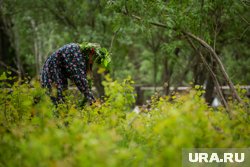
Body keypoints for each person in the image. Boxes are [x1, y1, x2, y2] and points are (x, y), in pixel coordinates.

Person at [40, 42, 111, 105]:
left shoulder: (80, 55)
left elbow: (81, 74)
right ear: (91, 52)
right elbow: (79, 79)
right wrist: (92, 100)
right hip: (52, 70)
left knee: (62, 98)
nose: (92, 61)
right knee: (56, 98)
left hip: (58, 73)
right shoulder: (76, 52)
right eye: (93, 58)